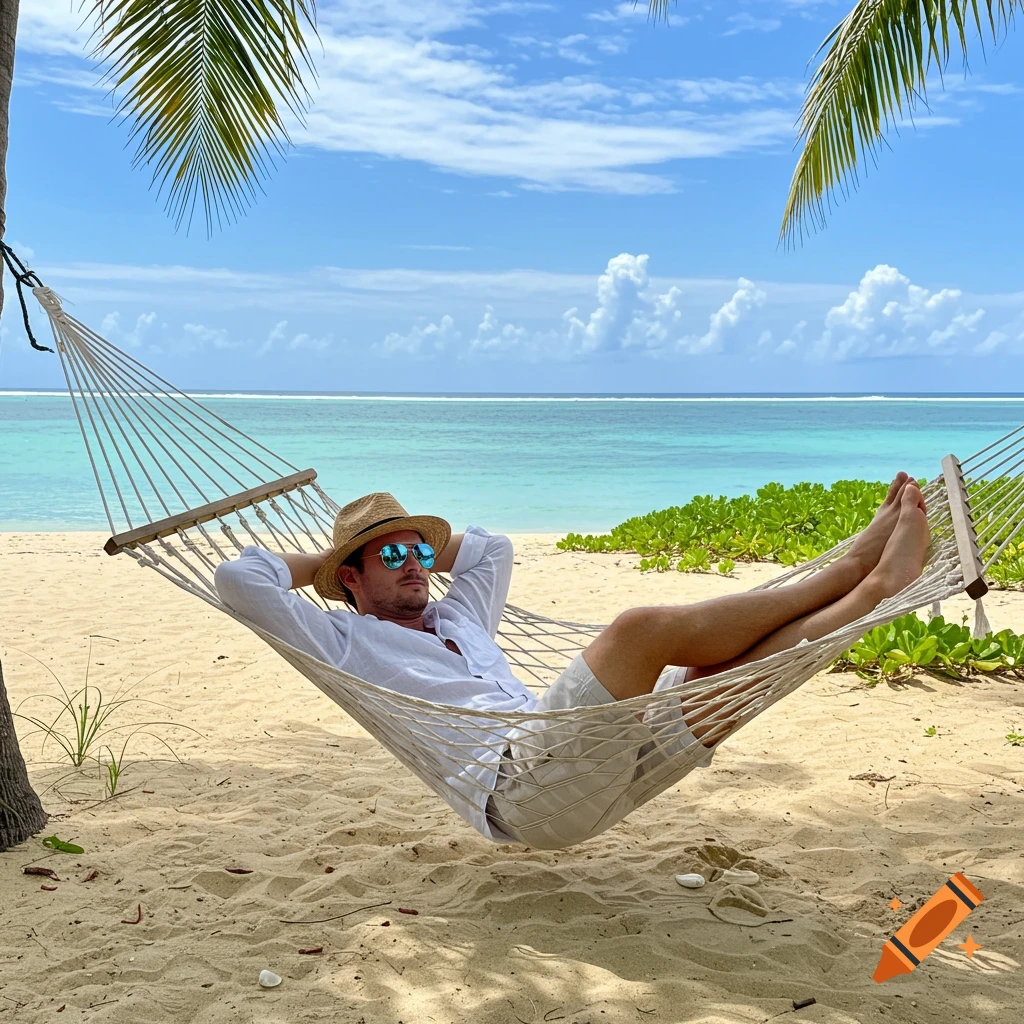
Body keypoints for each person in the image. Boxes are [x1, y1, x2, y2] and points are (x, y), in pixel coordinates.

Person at [214, 476, 930, 848]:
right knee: (637, 632)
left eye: (422, 552)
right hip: (522, 786)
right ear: (349, 579)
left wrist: (395, 545)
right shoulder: (341, 643)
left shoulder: (458, 613)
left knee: (714, 682)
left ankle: (867, 590)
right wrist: (331, 562)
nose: (416, 566)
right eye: (392, 556)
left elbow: (493, 548)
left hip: (577, 762)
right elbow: (240, 582)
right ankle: (845, 573)